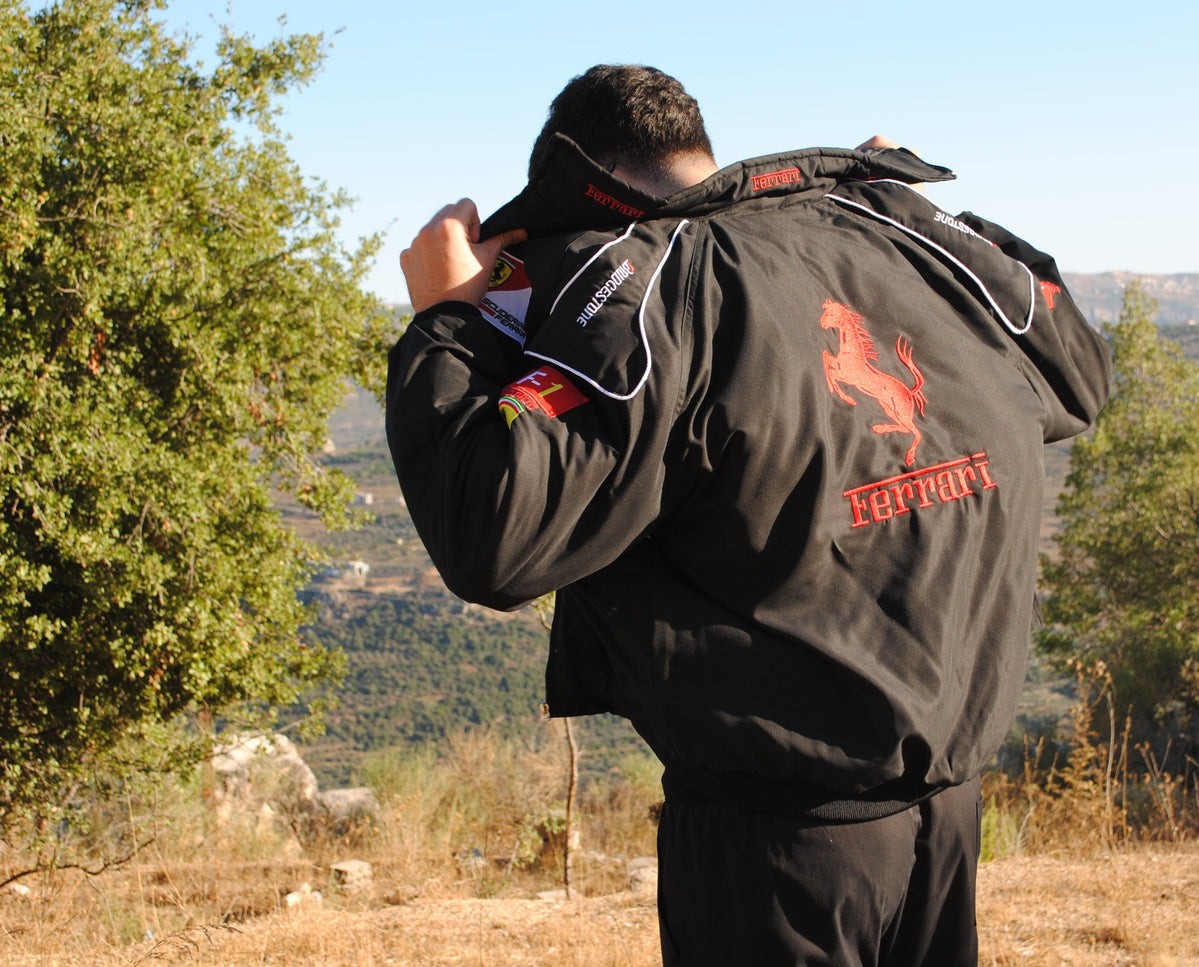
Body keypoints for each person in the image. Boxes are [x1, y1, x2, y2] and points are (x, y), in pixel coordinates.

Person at [387, 64, 1111, 967]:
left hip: (775, 847)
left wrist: (449, 323)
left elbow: (491, 533)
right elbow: (1077, 369)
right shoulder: (871, 237)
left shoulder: (657, 279)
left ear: (582, 190)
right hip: (943, 818)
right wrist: (913, 210)